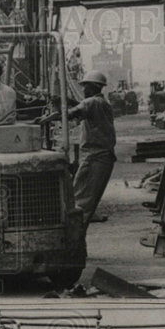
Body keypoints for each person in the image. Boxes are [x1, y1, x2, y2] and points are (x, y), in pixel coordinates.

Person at [68, 69, 116, 225]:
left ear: (93, 87)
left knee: (81, 197)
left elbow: (71, 113)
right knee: (88, 196)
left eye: (85, 86)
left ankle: (75, 235)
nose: (83, 90)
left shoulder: (92, 103)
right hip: (102, 156)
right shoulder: (101, 103)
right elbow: (81, 107)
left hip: (95, 156)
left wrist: (54, 112)